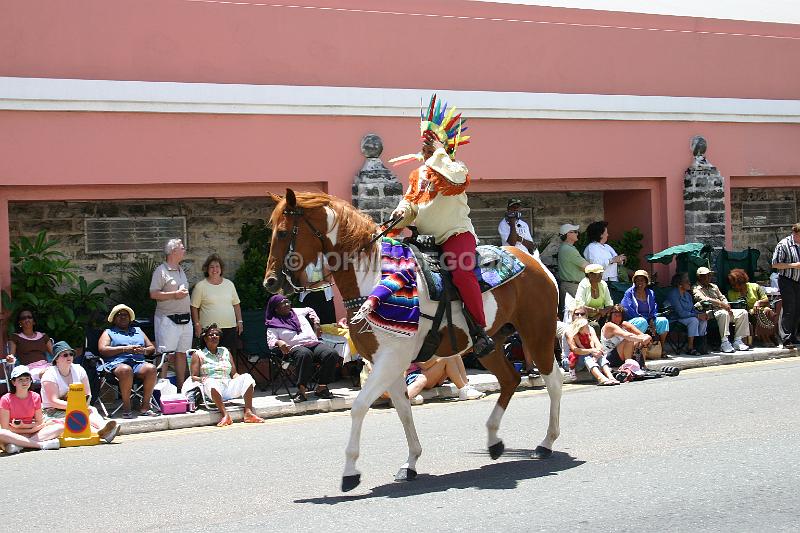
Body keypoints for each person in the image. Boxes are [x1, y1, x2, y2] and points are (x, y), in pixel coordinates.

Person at [379, 95, 494, 356]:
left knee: (463, 272)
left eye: (431, 147)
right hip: (424, 239)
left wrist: (441, 152)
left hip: (454, 235)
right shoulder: (417, 174)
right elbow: (412, 203)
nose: (426, 151)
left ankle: (479, 329)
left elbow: (454, 179)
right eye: (426, 147)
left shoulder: (455, 167)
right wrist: (402, 210)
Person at [265, 294, 341, 403]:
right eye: (283, 303)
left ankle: (322, 387)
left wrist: (316, 322)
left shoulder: (296, 312)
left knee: (331, 353)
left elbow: (310, 310)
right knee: (304, 354)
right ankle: (301, 390)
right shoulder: (273, 324)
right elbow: (271, 341)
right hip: (295, 348)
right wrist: (279, 342)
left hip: (313, 343)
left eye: (288, 302)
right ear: (276, 309)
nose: (287, 304)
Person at [184, 324, 264, 427]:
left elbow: (234, 373)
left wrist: (241, 380)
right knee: (210, 381)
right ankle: (225, 415)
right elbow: (193, 376)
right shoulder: (198, 354)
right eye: (211, 335)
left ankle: (248, 413)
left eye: (216, 334)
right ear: (205, 338)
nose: (214, 336)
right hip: (212, 388)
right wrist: (202, 379)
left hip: (228, 385)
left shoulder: (225, 351)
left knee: (247, 377)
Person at [40, 341, 119, 443]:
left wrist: (81, 405)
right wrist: (76, 406)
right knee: (76, 419)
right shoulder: (50, 374)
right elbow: (53, 401)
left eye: (71, 354)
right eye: (65, 355)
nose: (69, 356)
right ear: (56, 359)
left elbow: (88, 394)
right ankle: (104, 433)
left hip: (76, 407)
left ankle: (103, 428)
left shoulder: (79, 369)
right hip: (53, 411)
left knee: (91, 410)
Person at [97, 304, 159, 418]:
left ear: (130, 318)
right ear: (114, 319)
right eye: (119, 315)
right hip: (117, 364)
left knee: (151, 368)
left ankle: (145, 406)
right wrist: (124, 349)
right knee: (126, 369)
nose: (123, 317)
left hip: (138, 363)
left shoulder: (138, 330)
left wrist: (143, 351)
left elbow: (151, 348)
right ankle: (127, 407)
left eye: (125, 315)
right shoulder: (109, 332)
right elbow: (103, 350)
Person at [150, 237, 191, 387]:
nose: (184, 250)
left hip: (186, 319)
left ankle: (181, 388)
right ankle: (162, 389)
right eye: (182, 247)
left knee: (181, 353)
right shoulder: (161, 271)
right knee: (165, 355)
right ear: (173, 251)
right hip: (167, 319)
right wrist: (175, 295)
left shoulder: (181, 270)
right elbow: (153, 294)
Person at [0, 365, 62, 454]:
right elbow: (5, 428)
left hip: (32, 432)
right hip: (13, 433)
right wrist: (28, 429)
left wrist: (24, 427)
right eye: (20, 379)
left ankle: (19, 444)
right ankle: (40, 445)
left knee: (59, 427)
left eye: (27, 378)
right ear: (13, 382)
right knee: (1, 433)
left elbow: (39, 422)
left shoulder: (35, 396)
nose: (24, 382)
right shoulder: (5, 399)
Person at [190, 253, 243, 353]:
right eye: (211, 267)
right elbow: (194, 307)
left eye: (217, 266)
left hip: (229, 328)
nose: (215, 270)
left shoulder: (229, 284)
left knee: (227, 358)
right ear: (206, 269)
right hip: (209, 330)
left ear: (221, 268)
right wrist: (197, 325)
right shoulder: (200, 286)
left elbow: (236, 304)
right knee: (209, 358)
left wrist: (240, 321)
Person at [692, 267, 750, 354]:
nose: (708, 277)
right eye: (705, 276)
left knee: (743, 312)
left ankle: (738, 340)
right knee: (723, 314)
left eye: (709, 275)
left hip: (722, 310)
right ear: (700, 277)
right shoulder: (696, 288)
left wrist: (727, 305)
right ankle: (724, 342)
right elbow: (704, 299)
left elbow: (722, 297)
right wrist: (721, 304)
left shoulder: (714, 287)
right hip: (709, 312)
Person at [727, 268, 780, 347]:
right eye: (732, 285)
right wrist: (750, 310)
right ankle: (766, 337)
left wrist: (758, 302)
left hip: (759, 311)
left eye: (735, 284)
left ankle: (766, 337)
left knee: (766, 311)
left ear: (742, 282)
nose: (733, 287)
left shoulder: (755, 287)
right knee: (763, 313)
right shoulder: (731, 292)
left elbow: (765, 300)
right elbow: (736, 306)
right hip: (744, 314)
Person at [565, 310, 619, 386]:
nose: (579, 316)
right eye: (577, 314)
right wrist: (591, 351)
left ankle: (611, 377)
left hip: (587, 356)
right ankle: (601, 378)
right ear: (572, 316)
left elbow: (597, 344)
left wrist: (598, 351)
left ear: (586, 316)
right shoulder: (569, 331)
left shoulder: (589, 329)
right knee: (586, 356)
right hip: (571, 361)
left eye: (582, 314)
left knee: (599, 356)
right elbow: (575, 350)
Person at [620, 269, 669, 350]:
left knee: (663, 321)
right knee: (641, 321)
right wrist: (647, 320)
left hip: (649, 319)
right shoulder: (629, 293)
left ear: (646, 282)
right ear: (634, 282)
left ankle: (661, 348)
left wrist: (651, 319)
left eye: (642, 280)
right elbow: (627, 309)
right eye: (637, 280)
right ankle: (638, 348)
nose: (640, 283)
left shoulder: (650, 293)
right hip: (633, 320)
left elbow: (654, 308)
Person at [405, 357, 485, 405]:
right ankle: (462, 388)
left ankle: (466, 387)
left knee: (454, 354)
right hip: (416, 376)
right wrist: (440, 355)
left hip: (430, 376)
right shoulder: (413, 342)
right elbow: (424, 365)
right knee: (447, 358)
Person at [771, 223, 800, 348]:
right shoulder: (783, 244)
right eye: (798, 235)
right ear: (794, 233)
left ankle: (793, 336)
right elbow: (775, 264)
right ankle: (786, 338)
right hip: (787, 280)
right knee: (789, 308)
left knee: (798, 309)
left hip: (799, 280)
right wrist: (793, 265)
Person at [666, 272, 709, 355]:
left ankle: (700, 346)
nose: (689, 283)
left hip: (687, 317)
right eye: (687, 281)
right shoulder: (673, 294)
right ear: (680, 284)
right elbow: (680, 313)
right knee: (694, 320)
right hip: (675, 318)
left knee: (703, 320)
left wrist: (701, 314)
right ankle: (690, 347)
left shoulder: (687, 295)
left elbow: (692, 309)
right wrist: (697, 315)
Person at [5, 308, 53, 381]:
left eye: (29, 317)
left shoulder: (43, 336)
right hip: (30, 369)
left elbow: (55, 353)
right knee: (49, 373)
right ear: (20, 323)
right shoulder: (16, 337)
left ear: (34, 321)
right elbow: (12, 356)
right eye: (23, 318)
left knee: (63, 369)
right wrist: (10, 358)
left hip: (46, 366)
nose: (27, 319)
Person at [297, 254, 336, 325]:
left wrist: (322, 261)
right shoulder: (301, 261)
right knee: (313, 326)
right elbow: (305, 285)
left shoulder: (323, 258)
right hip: (309, 297)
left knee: (329, 325)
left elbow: (328, 278)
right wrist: (322, 282)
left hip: (326, 296)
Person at [557, 223, 588, 304]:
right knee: (575, 314)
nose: (577, 233)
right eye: (575, 231)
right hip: (572, 287)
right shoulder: (568, 249)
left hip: (571, 286)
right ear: (568, 234)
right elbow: (587, 267)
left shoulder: (567, 248)